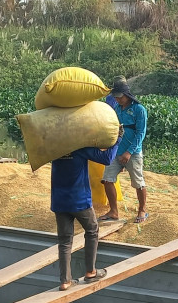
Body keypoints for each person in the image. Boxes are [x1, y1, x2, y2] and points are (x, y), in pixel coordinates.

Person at [51, 143, 118, 291]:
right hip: (79, 200)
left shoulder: (54, 147)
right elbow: (107, 159)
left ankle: (65, 281)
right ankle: (90, 272)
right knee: (92, 230)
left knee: (64, 241)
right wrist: (118, 140)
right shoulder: (80, 147)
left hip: (59, 201)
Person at [101, 80, 149, 223]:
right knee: (107, 180)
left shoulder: (139, 109)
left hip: (132, 153)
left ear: (127, 95)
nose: (117, 99)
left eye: (120, 97)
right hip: (116, 151)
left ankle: (142, 210)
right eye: (116, 97)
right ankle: (113, 211)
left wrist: (129, 152)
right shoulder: (116, 109)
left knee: (138, 182)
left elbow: (141, 133)